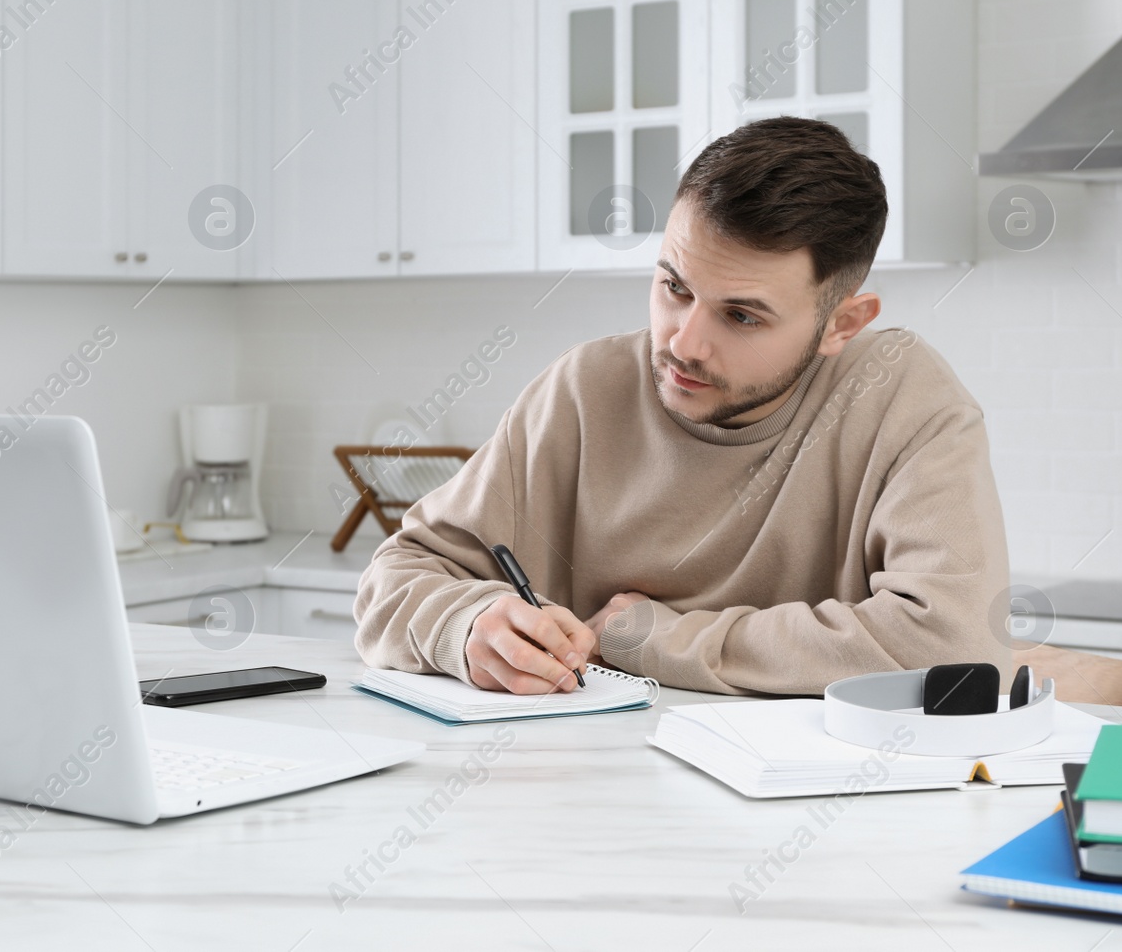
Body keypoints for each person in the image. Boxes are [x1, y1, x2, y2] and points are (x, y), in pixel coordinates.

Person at [352, 116, 1011, 696]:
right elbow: (395, 578)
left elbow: (955, 645)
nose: (683, 342)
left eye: (742, 315)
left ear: (843, 323)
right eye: (673, 287)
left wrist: (655, 638)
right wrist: (464, 624)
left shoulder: (903, 397)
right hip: (586, 799)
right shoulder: (584, 391)